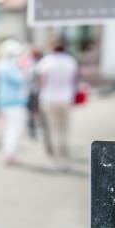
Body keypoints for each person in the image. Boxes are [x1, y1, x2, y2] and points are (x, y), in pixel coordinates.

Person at [37, 39, 78, 169]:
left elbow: (42, 81)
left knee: (53, 130)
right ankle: (65, 160)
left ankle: (57, 161)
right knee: (64, 130)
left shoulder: (46, 61)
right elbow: (74, 79)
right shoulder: (70, 61)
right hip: (65, 98)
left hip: (49, 99)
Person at [0, 40, 28, 166]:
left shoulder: (3, 65)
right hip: (13, 102)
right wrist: (24, 68)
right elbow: (20, 79)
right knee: (15, 129)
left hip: (8, 102)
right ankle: (10, 154)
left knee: (10, 128)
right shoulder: (7, 66)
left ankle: (10, 153)